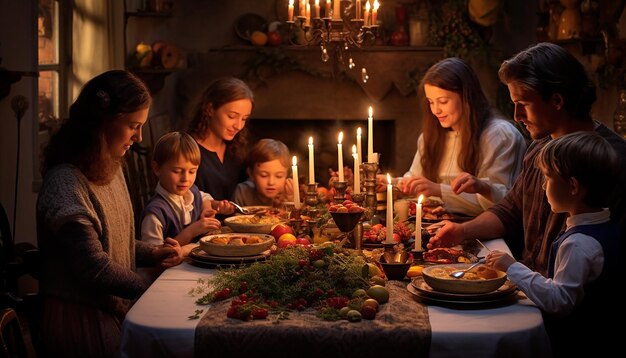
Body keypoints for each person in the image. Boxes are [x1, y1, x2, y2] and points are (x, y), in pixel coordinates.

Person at [429, 42, 626, 276]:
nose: (516, 116)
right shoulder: (538, 147)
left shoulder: (611, 159)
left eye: (523, 104)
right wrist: (462, 231)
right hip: (528, 284)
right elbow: (510, 211)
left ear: (556, 100)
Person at [36, 70, 184, 357]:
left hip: (110, 309)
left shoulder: (111, 167)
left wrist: (154, 253)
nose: (139, 136)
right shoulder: (65, 183)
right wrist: (149, 290)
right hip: (79, 320)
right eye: (132, 125)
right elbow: (92, 265)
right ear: (102, 122)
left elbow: (114, 240)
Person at [486, 131, 622, 357]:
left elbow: (560, 301)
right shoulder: (605, 226)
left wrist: (512, 267)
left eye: (548, 178)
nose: (542, 186)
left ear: (573, 187)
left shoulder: (579, 243)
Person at [391, 57, 526, 217]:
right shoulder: (430, 136)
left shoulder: (499, 135)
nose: (435, 110)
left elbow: (502, 202)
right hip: (437, 225)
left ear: (466, 97)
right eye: (431, 102)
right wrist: (393, 185)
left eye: (442, 101)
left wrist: (439, 190)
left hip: (487, 232)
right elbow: (416, 179)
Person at [141, 132, 234, 257]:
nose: (185, 178)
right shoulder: (155, 214)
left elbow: (204, 198)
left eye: (192, 171)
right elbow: (156, 255)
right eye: (177, 171)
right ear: (157, 169)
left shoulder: (191, 193)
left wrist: (214, 206)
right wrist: (190, 232)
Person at [186, 77, 254, 201]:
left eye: (244, 119)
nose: (238, 126)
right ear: (210, 109)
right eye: (232, 116)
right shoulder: (187, 150)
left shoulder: (235, 149)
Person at [231, 138, 295, 206]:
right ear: (251, 174)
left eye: (279, 176)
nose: (271, 182)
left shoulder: (289, 195)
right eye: (263, 175)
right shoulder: (242, 192)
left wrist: (290, 199)